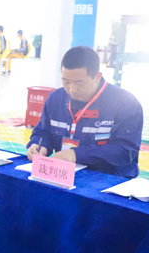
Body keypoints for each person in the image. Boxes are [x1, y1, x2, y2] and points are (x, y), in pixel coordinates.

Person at [27, 45, 142, 178]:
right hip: (65, 176)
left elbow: (124, 150)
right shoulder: (55, 99)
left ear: (97, 77)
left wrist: (76, 154)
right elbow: (43, 132)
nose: (72, 90)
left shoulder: (125, 103)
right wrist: (39, 145)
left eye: (79, 83)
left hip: (111, 179)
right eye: (66, 82)